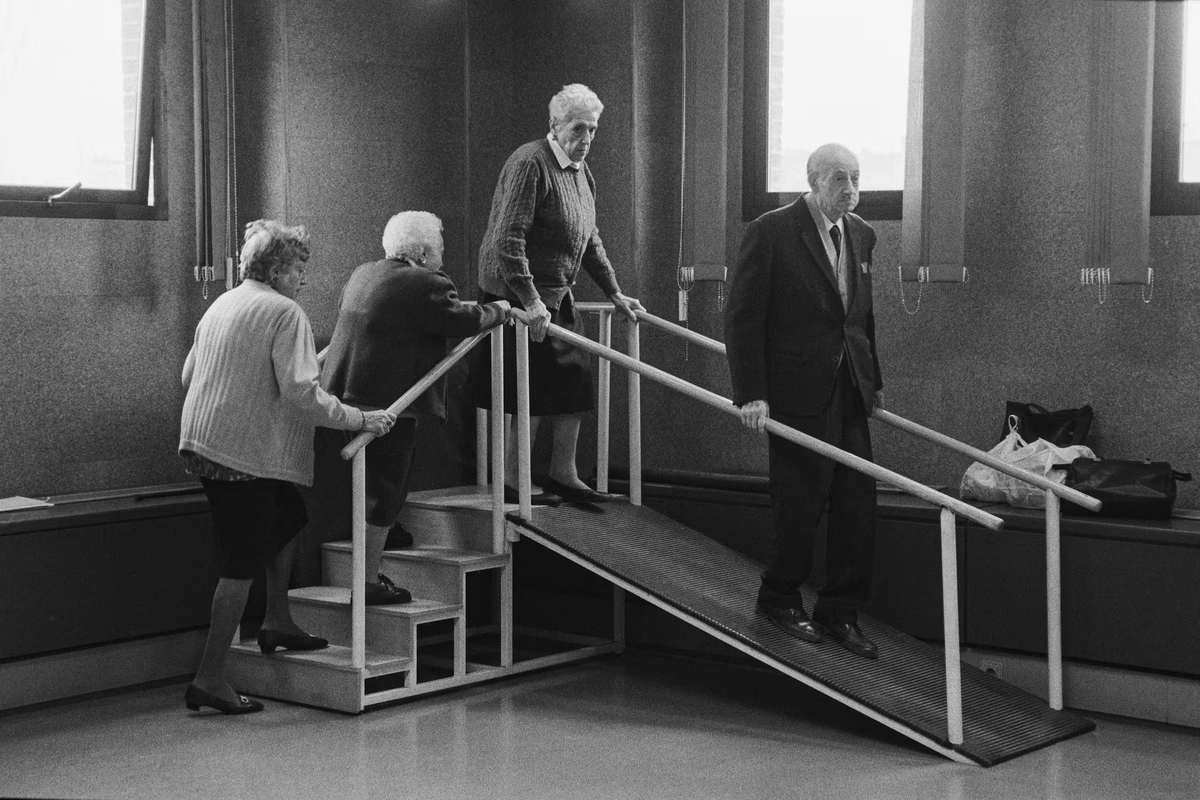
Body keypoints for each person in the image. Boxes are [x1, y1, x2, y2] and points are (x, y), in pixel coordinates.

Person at [179, 220, 396, 714]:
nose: (303, 277)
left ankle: (278, 619)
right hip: (241, 453)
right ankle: (209, 677)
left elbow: (190, 373)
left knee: (289, 515)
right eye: (299, 267)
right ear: (276, 268)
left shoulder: (224, 302)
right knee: (240, 563)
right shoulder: (284, 311)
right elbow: (301, 394)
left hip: (204, 442)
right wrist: (362, 419)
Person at [723, 143, 884, 659]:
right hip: (794, 390)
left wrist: (872, 381)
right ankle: (779, 597)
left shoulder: (862, 233)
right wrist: (752, 394)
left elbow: (860, 317)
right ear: (813, 180)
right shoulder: (770, 231)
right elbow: (743, 319)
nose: (850, 188)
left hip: (849, 387)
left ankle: (839, 611)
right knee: (801, 501)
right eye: (839, 178)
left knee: (857, 504)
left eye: (856, 178)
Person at [318, 211, 515, 604]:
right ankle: (369, 581)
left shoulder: (363, 274)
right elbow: (462, 318)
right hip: (388, 406)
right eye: (440, 247)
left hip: (341, 395)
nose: (443, 255)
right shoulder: (426, 282)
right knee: (385, 489)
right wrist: (501, 310)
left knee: (373, 485)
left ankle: (385, 536)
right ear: (423, 253)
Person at [474, 82, 644, 504]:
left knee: (574, 382)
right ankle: (514, 477)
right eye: (578, 128)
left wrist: (615, 293)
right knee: (528, 388)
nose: (586, 139)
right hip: (516, 294)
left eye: (593, 130)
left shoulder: (581, 171)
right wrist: (529, 302)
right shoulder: (530, 162)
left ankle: (562, 472)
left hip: (554, 293)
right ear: (555, 125)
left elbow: (590, 240)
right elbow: (507, 240)